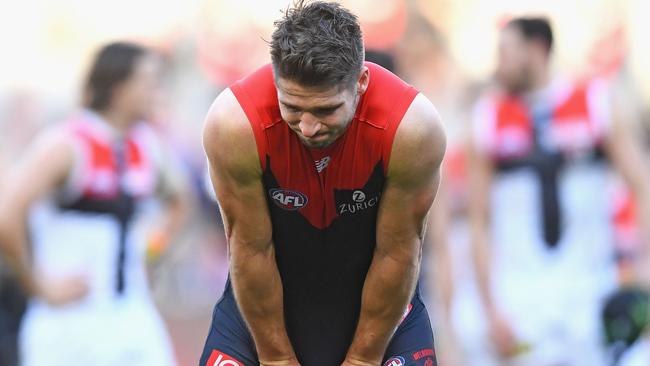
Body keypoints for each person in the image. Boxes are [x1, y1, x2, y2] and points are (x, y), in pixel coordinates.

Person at [200, 2, 446, 366]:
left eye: (326, 109)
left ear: (361, 83)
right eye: (293, 108)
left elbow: (396, 253)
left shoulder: (412, 128)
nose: (309, 127)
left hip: (379, 309)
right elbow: (251, 250)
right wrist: (277, 359)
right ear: (275, 82)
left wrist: (362, 360)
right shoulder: (233, 123)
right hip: (264, 308)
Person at [467, 17, 650, 365]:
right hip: (520, 294)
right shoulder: (487, 116)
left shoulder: (595, 101)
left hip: (589, 288)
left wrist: (643, 271)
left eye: (506, 51)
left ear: (536, 49)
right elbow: (479, 221)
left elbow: (641, 185)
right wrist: (488, 306)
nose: (498, 62)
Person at [0, 41, 188, 366]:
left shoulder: (147, 145)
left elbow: (180, 201)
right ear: (117, 87)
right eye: (148, 81)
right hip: (69, 321)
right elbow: (7, 215)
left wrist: (151, 252)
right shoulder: (66, 144)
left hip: (134, 313)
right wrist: (38, 285)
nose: (157, 91)